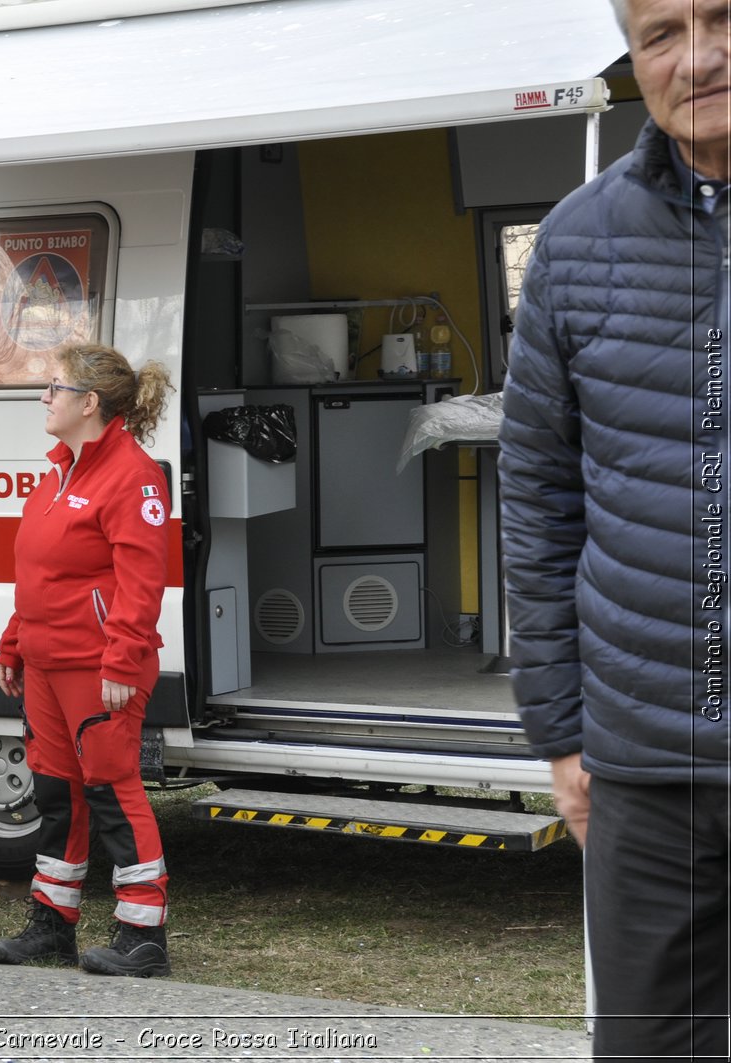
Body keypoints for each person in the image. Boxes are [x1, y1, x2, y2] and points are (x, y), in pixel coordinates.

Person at [497, 0, 731, 1057]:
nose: (699, 57)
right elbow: (538, 496)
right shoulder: (578, 241)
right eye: (661, 36)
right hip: (646, 764)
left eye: (722, 19)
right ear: (632, 59)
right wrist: (560, 730)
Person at [0, 343, 175, 978]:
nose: (44, 397)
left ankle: (142, 932)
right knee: (56, 794)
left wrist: (123, 662)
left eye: (54, 387)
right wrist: (15, 642)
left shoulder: (132, 475)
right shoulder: (58, 471)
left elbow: (141, 582)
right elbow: (38, 573)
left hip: (99, 668)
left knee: (113, 793)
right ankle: (53, 922)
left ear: (89, 403)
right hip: (46, 664)